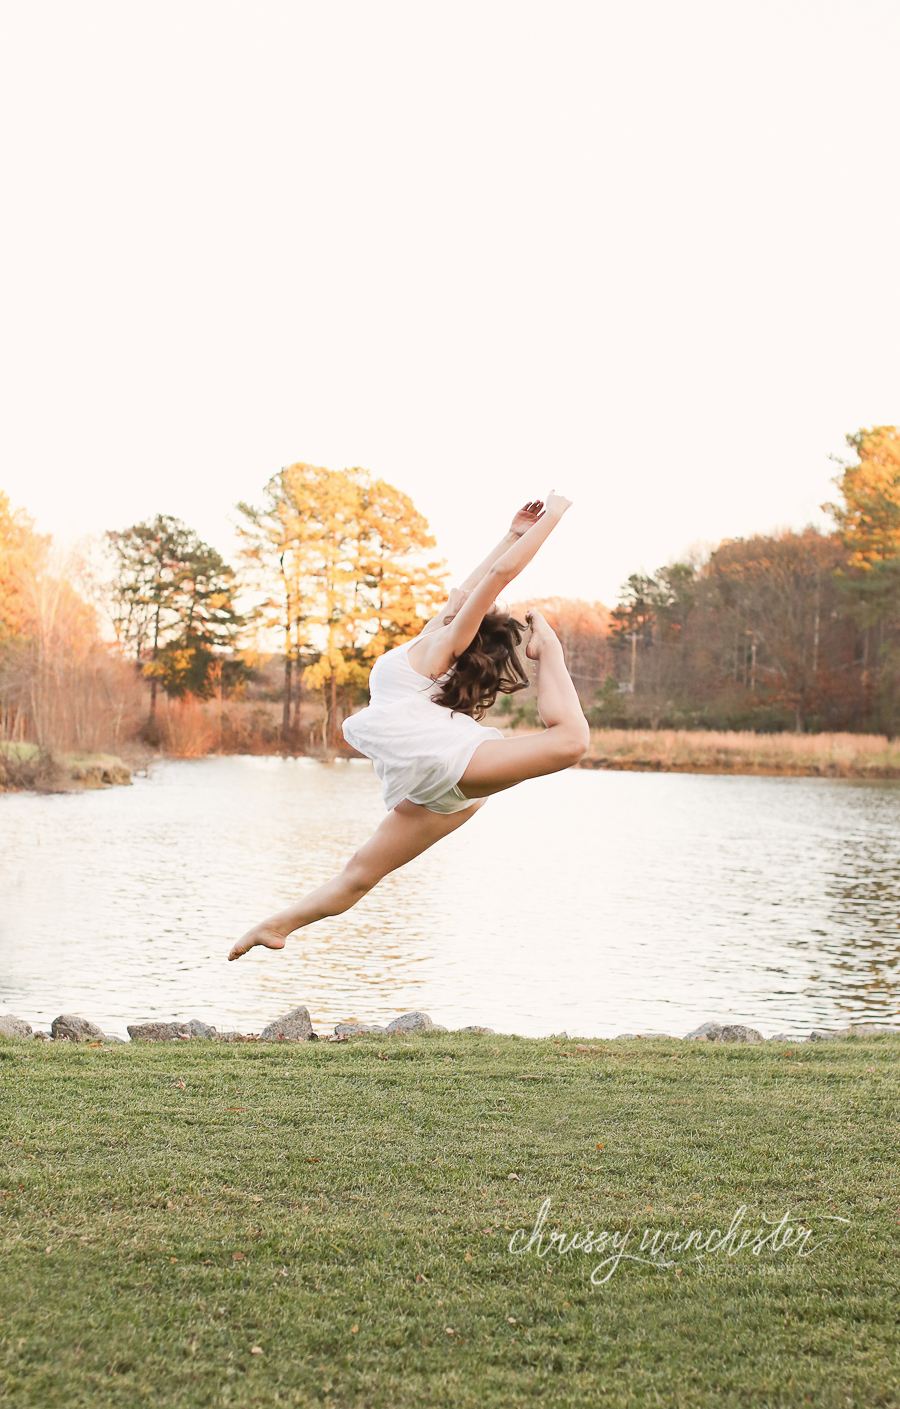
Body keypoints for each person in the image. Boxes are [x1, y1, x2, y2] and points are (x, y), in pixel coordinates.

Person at [228, 492, 589, 961]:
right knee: (359, 873)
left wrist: (555, 516)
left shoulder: (443, 646)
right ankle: (275, 926)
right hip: (443, 781)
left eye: (472, 603)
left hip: (444, 765)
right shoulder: (428, 639)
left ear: (467, 621)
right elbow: (480, 578)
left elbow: (498, 577)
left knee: (572, 740)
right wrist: (512, 534)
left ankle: (549, 653)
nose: (466, 591)